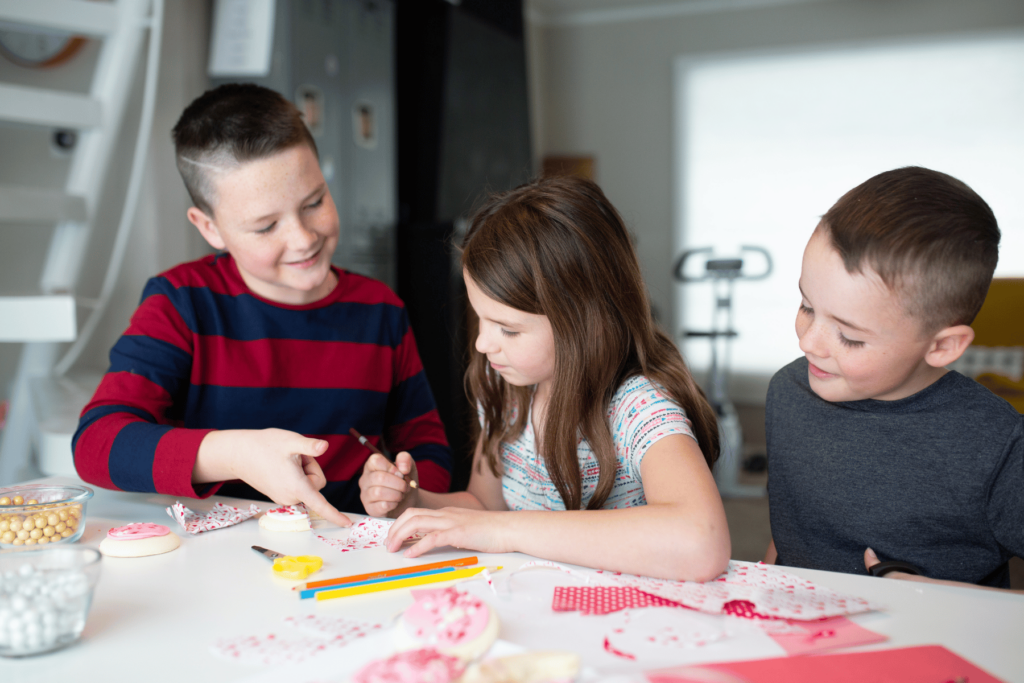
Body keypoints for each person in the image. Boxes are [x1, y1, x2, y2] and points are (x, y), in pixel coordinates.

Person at [73, 84, 452, 525]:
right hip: (219, 557)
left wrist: (408, 490)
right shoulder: (181, 303)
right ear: (210, 228)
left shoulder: (381, 310)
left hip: (348, 552)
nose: (303, 238)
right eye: (266, 226)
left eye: (314, 203)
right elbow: (96, 444)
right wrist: (233, 454)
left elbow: (427, 448)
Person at [359, 176, 731, 582]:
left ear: (585, 322)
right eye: (480, 318)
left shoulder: (638, 408)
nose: (482, 344)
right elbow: (486, 507)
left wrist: (506, 532)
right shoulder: (506, 386)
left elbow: (702, 543)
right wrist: (415, 501)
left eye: (509, 329)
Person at [764, 166, 1024, 591]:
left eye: (849, 337)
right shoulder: (788, 393)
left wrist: (955, 597)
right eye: (807, 306)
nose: (809, 343)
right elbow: (795, 524)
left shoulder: (999, 447)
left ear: (941, 346)